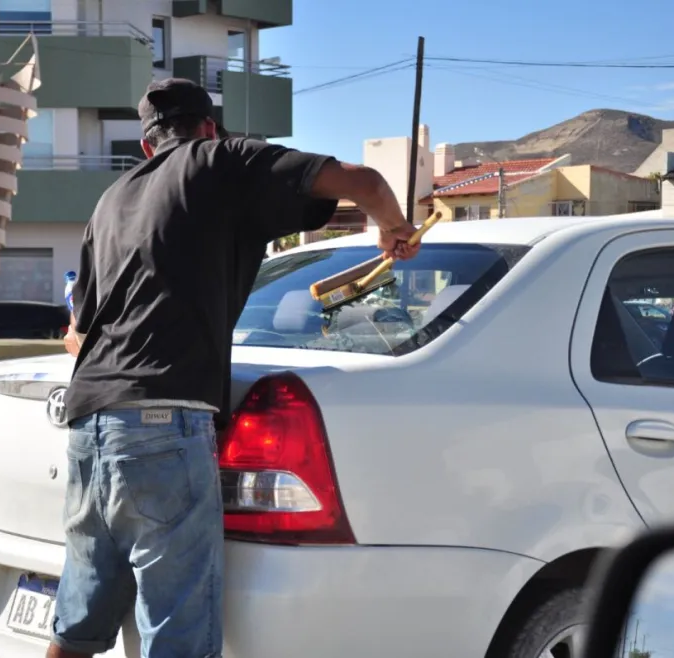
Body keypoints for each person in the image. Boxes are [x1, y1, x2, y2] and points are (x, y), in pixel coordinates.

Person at [50, 77, 420, 658]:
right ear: (209, 127)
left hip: (87, 425)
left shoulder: (112, 199)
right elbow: (365, 182)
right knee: (177, 639)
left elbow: (77, 333)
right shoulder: (223, 160)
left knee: (78, 626)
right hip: (161, 425)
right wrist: (393, 228)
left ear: (147, 145)